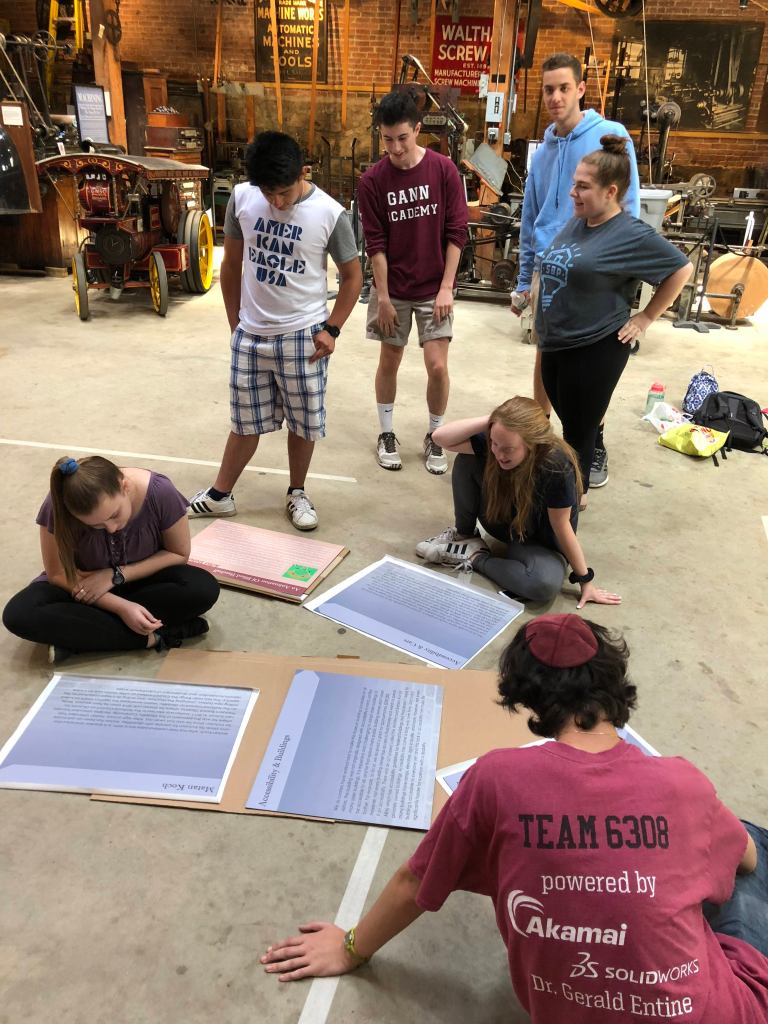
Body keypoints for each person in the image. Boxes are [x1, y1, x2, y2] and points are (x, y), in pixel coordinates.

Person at [260, 614, 768, 1024]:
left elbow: (414, 880)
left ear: (527, 696)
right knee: (748, 839)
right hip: (723, 1011)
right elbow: (743, 860)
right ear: (612, 682)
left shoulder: (495, 778)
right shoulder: (682, 783)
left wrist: (350, 949)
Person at [188, 130, 362, 531]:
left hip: (304, 336)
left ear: (303, 173)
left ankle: (297, 492)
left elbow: (353, 277)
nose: (276, 202)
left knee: (303, 423)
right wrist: (235, 324)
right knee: (243, 421)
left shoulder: (330, 214)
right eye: (268, 193)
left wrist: (332, 329)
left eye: (283, 193)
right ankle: (220, 495)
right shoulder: (242, 199)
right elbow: (231, 265)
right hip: (251, 334)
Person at [537, 135, 691, 499]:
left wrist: (645, 318)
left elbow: (680, 269)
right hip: (558, 341)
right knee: (571, 425)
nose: (573, 192)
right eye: (574, 183)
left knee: (578, 435)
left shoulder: (630, 234)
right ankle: (565, 496)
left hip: (594, 346)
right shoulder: (580, 221)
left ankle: (570, 505)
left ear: (611, 192)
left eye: (583, 186)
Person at [513, 52, 640, 490]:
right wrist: (523, 279)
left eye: (564, 88)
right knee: (546, 354)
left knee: (589, 362)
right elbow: (531, 216)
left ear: (581, 89)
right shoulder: (543, 151)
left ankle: (592, 439)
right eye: (548, 89)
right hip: (549, 267)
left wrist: (622, 275)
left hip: (595, 270)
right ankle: (541, 436)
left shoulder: (608, 136)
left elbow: (629, 206)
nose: (555, 97)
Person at [2, 456, 220, 663]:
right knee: (20, 614)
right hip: (82, 589)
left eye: (114, 515)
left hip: (143, 582)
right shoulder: (57, 504)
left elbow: (179, 553)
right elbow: (58, 574)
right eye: (96, 525)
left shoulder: (159, 491)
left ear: (125, 486)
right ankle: (154, 637)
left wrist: (116, 575)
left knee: (202, 588)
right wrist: (120, 607)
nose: (111, 528)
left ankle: (84, 638)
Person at [413, 396, 619, 607]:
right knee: (466, 457)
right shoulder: (500, 440)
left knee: (543, 584)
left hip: (537, 542)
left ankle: (474, 556)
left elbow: (562, 526)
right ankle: (464, 535)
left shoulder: (555, 466)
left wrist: (585, 580)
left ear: (532, 444)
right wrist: (495, 420)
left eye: (508, 449)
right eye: (494, 443)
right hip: (502, 522)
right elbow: (439, 438)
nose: (498, 453)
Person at [357, 90, 468, 475]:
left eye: (402, 138)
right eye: (387, 139)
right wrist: (384, 298)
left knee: (437, 366)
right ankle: (386, 433)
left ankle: (436, 435)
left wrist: (446, 287)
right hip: (393, 289)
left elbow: (457, 232)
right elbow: (375, 245)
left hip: (434, 288)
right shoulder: (372, 181)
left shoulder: (443, 170)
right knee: (390, 359)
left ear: (418, 129)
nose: (395, 148)